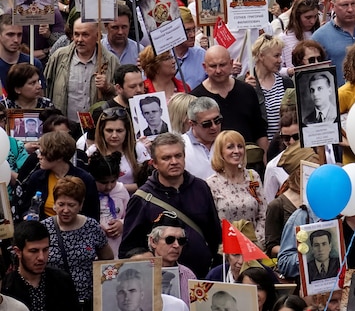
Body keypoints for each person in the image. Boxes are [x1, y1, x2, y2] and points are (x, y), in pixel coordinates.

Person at [119, 132, 222, 278]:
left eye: (178, 156)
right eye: (166, 158)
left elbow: (215, 235)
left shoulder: (200, 187)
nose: (174, 161)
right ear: (154, 163)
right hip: (164, 282)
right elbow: (128, 250)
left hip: (203, 279)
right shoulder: (142, 199)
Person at [43, 175, 113, 307]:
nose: (65, 210)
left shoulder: (91, 226)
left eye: (71, 205)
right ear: (54, 204)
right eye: (61, 204)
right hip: (55, 300)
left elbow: (107, 258)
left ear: (81, 205)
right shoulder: (44, 228)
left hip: (86, 301)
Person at [206, 130, 267, 244]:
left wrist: (255, 242)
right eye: (230, 147)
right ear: (220, 152)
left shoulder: (252, 176)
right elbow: (213, 223)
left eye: (240, 146)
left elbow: (263, 213)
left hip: (256, 246)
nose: (236, 151)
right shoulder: (212, 183)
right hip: (229, 249)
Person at [2, 220, 77, 311]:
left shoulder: (62, 281)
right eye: (34, 251)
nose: (41, 257)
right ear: (18, 251)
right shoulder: (7, 287)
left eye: (45, 250)